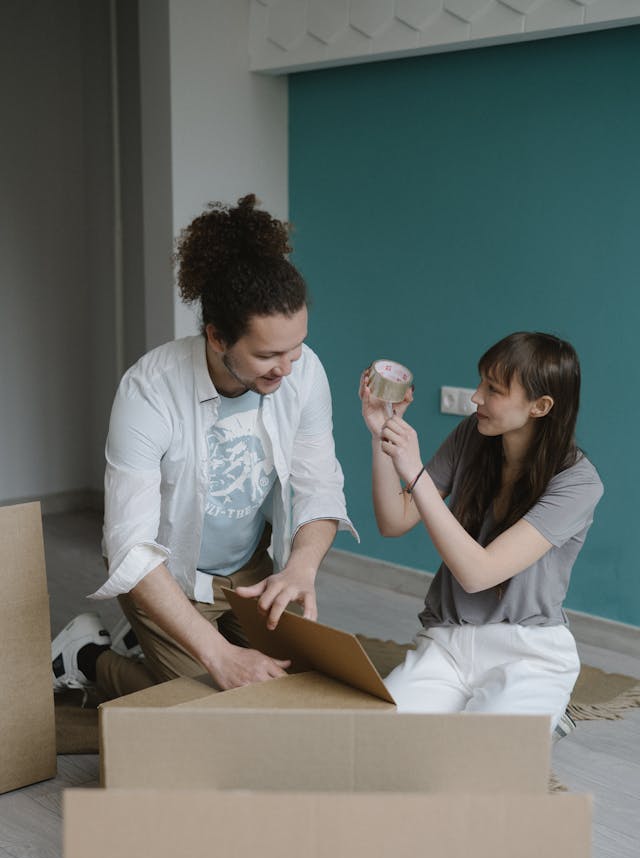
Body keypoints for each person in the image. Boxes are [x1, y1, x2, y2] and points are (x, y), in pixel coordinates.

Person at [52, 194, 356, 700]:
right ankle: (87, 656)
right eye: (267, 354)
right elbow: (130, 546)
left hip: (250, 572)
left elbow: (319, 484)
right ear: (217, 337)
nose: (287, 367)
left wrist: (301, 566)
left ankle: (146, 645)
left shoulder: (304, 372)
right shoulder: (149, 391)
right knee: (216, 707)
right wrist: (219, 655)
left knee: (305, 692)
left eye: (296, 347)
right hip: (168, 577)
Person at [359, 331, 603, 731]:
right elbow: (394, 521)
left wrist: (414, 473)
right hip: (450, 640)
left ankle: (549, 706)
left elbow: (479, 574)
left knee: (475, 760)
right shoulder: (473, 435)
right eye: (481, 383)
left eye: (493, 389)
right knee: (379, 737)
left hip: (527, 649)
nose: (476, 397)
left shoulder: (579, 483)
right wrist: (380, 434)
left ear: (540, 406)